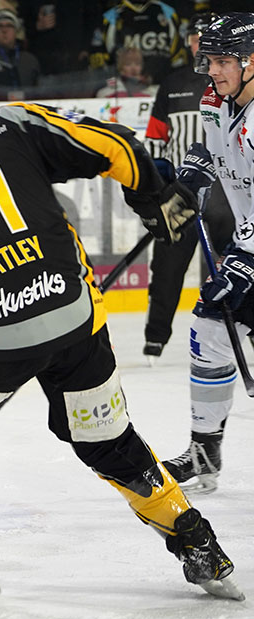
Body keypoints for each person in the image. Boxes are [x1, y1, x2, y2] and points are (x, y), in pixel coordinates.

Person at [0, 56, 239, 599]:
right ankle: (198, 544)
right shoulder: (13, 122)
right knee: (107, 440)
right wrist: (155, 202)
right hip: (77, 321)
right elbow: (120, 147)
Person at [161, 12, 254, 494]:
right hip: (249, 240)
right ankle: (204, 450)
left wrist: (247, 262)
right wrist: (198, 168)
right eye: (210, 60)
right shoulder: (219, 99)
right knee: (209, 330)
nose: (214, 71)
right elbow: (217, 149)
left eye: (224, 61)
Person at [142, 12, 233, 361]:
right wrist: (160, 189)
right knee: (166, 268)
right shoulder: (172, 84)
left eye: (204, 39)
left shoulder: (234, 81)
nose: (199, 45)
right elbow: (154, 141)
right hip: (182, 193)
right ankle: (155, 339)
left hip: (227, 194)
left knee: (238, 266)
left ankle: (249, 331)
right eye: (194, 39)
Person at [89, 0, 186, 86]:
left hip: (162, 85)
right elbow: (99, 58)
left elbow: (179, 54)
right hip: (123, 89)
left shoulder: (167, 12)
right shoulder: (111, 16)